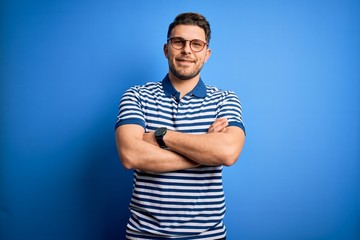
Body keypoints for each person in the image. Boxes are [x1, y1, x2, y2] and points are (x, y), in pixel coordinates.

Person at [115, 12, 246, 240]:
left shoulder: (225, 99)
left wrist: (161, 136)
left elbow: (227, 152)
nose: (187, 50)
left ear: (207, 54)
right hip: (144, 235)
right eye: (179, 42)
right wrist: (205, 152)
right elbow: (130, 155)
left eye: (196, 44)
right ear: (167, 49)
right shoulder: (136, 96)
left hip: (207, 236)